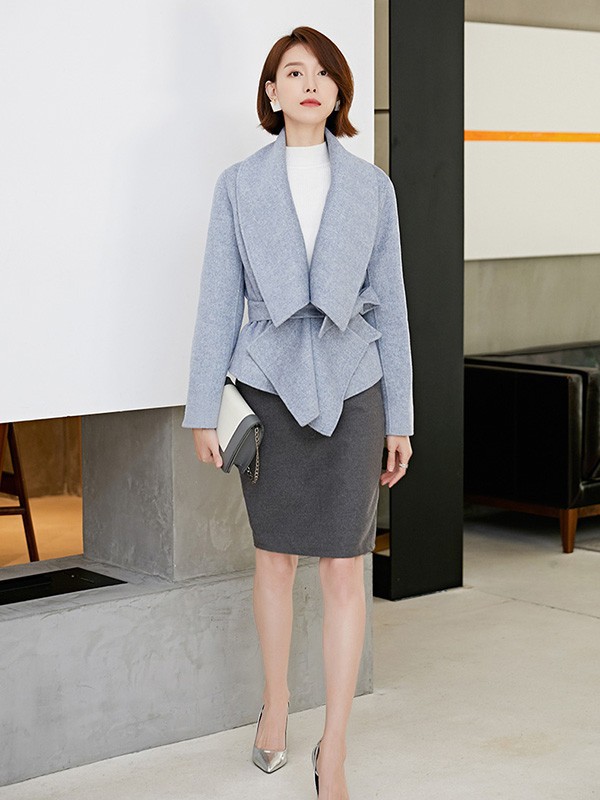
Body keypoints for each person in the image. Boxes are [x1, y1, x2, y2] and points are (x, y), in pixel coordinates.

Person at [181, 25, 413, 800]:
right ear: (272, 92)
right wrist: (202, 409)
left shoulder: (373, 188)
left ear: (339, 91)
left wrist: (401, 418)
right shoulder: (238, 185)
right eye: (293, 72)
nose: (309, 84)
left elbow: (395, 309)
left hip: (354, 386)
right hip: (267, 385)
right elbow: (219, 301)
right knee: (275, 560)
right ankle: (275, 704)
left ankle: (334, 747)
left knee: (346, 569)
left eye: (322, 73)